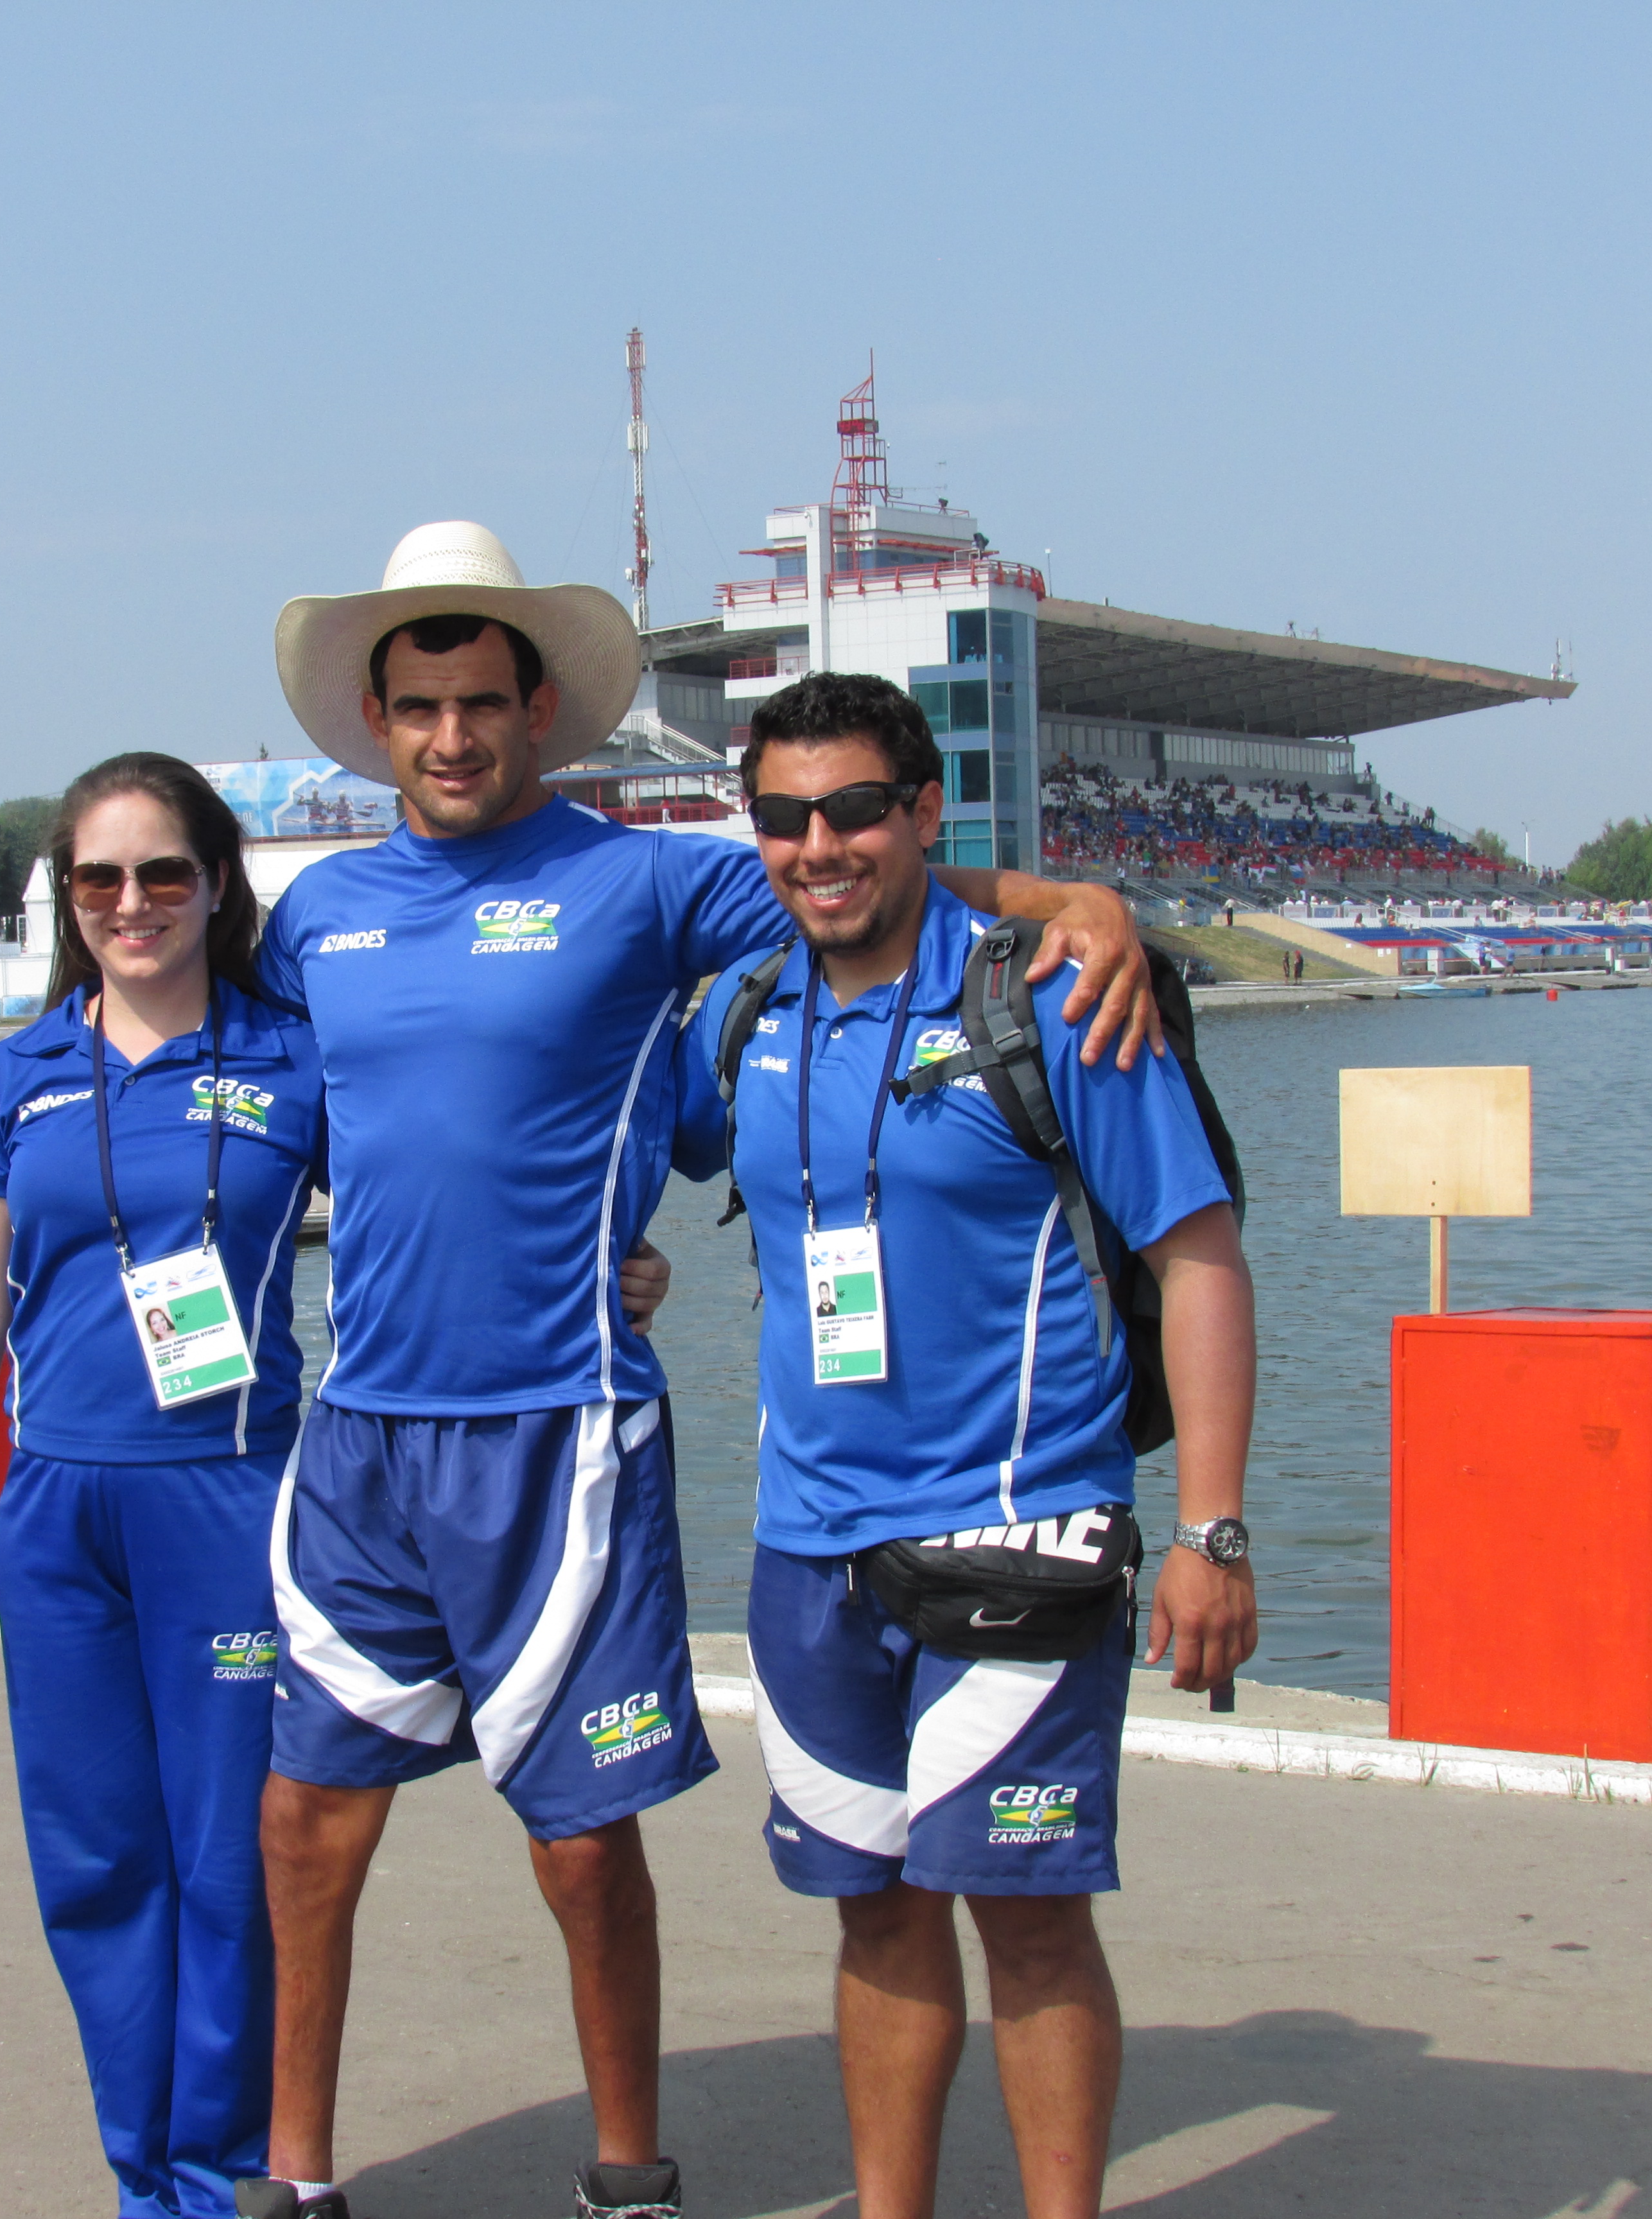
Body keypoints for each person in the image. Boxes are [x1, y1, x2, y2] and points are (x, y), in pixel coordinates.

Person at [0, 523, 1163, 2219]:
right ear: (376, 717)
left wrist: (1067, 902)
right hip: (359, 1447)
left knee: (579, 1851)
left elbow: (851, 883)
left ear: (539, 709)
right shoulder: (313, 920)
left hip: (563, 1435)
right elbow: (160, 1012)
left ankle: (629, 2176)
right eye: (418, 706)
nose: (450, 736)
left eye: (481, 702)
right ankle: (291, 2183)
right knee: (302, 1829)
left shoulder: (649, 881)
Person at [670, 674, 1258, 2219]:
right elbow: (569, 1128)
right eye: (787, 818)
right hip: (809, 1551)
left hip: (1023, 1529)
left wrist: (1211, 1531)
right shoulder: (744, 1009)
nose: (822, 846)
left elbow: (1199, 1259)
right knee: (869, 1914)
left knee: (1028, 1916)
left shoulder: (1056, 995)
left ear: (926, 815)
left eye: (858, 808)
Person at [0, 752, 328, 2219]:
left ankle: (224, 2176)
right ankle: (143, 2182)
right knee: (95, 1863)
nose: (131, 904)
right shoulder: (11, 1078)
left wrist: (615, 1265)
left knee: (226, 1864)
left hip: (229, 1502)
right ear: (67, 901)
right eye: (98, 880)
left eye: (162, 874)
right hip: (58, 1515)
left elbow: (435, 1195)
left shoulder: (294, 1058)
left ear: (215, 884)